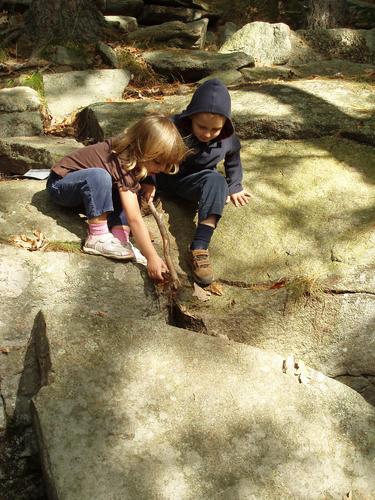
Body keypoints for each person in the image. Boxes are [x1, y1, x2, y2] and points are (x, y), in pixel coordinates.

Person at [46, 114, 189, 281]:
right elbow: (134, 218)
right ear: (142, 149)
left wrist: (149, 180)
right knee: (100, 176)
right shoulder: (122, 158)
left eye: (167, 164)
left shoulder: (133, 156)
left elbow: (131, 203)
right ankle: (97, 236)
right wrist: (151, 256)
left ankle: (120, 239)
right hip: (62, 185)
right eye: (158, 162)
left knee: (127, 195)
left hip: (87, 196)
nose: (162, 168)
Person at [141, 79, 250, 286]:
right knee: (133, 183)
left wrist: (235, 185)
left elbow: (233, 159)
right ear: (191, 117)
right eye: (202, 127)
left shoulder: (228, 140)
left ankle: (199, 247)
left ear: (224, 125)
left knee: (217, 182)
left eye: (215, 129)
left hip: (193, 182)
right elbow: (150, 150)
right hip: (162, 175)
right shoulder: (172, 127)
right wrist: (148, 180)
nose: (207, 134)